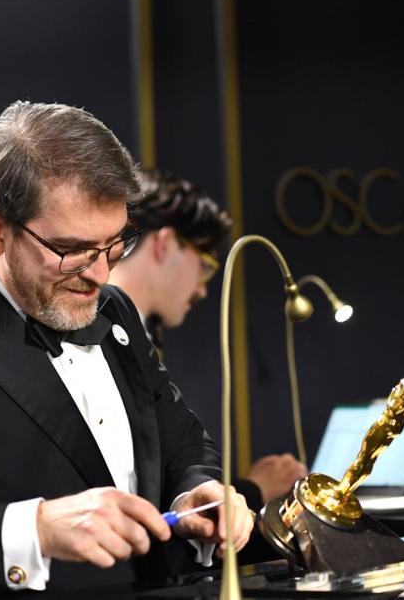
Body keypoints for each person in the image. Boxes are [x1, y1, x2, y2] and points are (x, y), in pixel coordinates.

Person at [0, 101, 253, 592]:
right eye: (71, 250)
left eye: (114, 245)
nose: (100, 274)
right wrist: (37, 530)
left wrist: (195, 492)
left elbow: (182, 440)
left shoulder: (116, 311)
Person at [108, 170, 308, 511]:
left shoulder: (138, 336)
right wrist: (253, 489)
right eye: (206, 265)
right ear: (164, 244)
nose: (202, 288)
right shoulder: (102, 332)